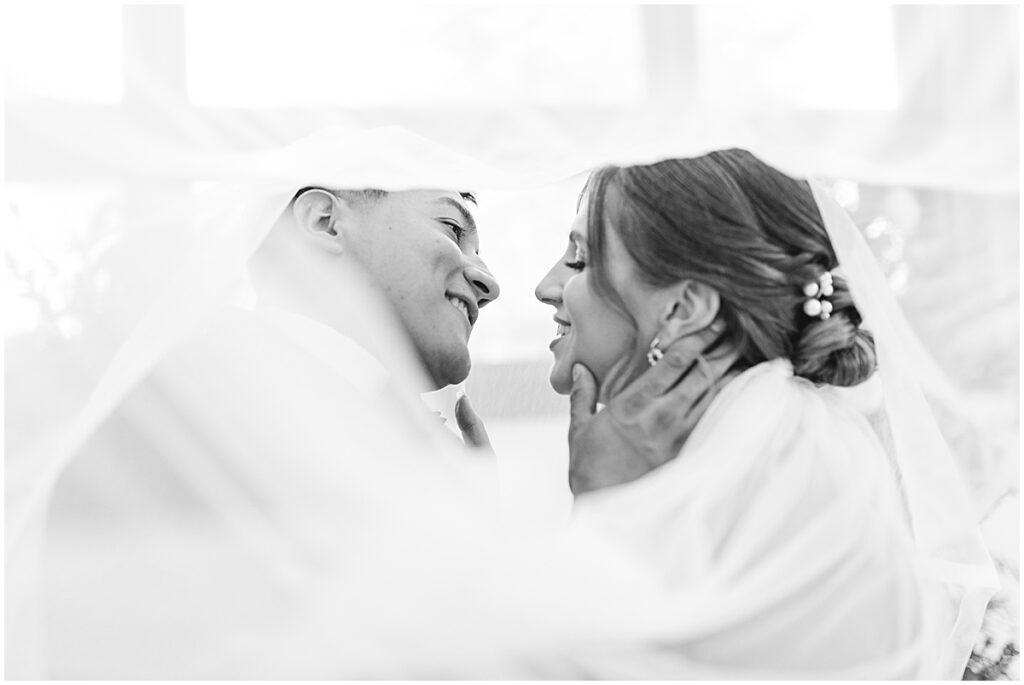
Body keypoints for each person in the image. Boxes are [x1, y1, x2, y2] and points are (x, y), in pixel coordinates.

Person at [534, 148, 996, 677]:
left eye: (578, 259)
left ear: (683, 310)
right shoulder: (766, 454)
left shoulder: (783, 487)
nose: (546, 287)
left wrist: (604, 508)